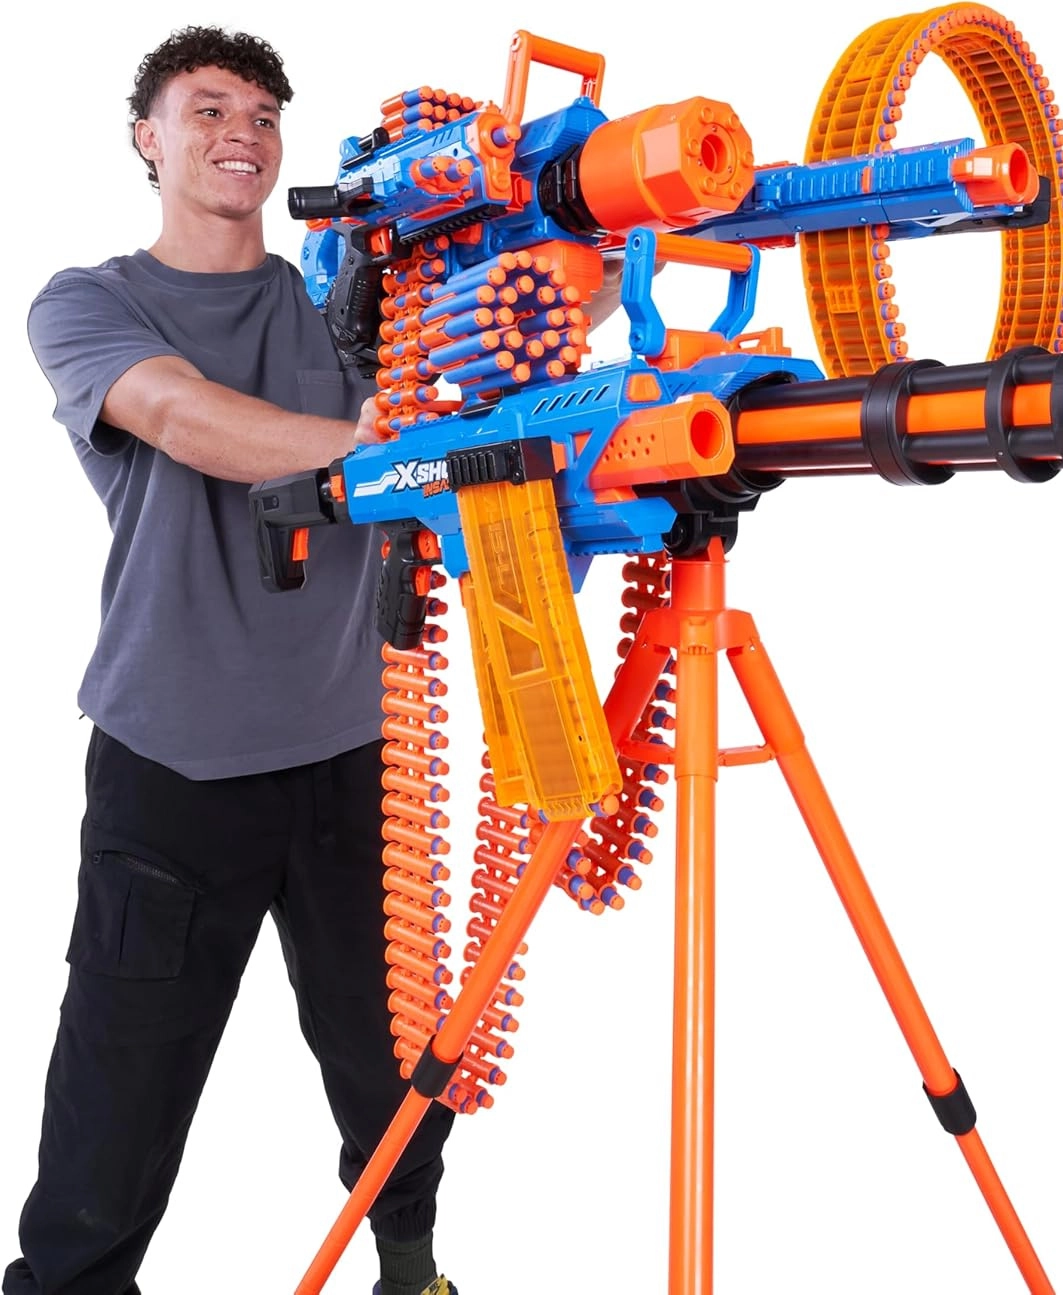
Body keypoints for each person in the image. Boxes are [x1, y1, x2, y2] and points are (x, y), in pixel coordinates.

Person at [9, 26, 468, 1295]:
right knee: (119, 1090)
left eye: (264, 115)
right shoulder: (89, 302)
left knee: (396, 1061)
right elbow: (180, 415)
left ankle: (411, 1268)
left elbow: (499, 349)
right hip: (174, 763)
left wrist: (565, 243)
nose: (242, 133)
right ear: (147, 139)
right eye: (208, 108)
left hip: (352, 751)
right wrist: (374, 445)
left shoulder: (344, 302)